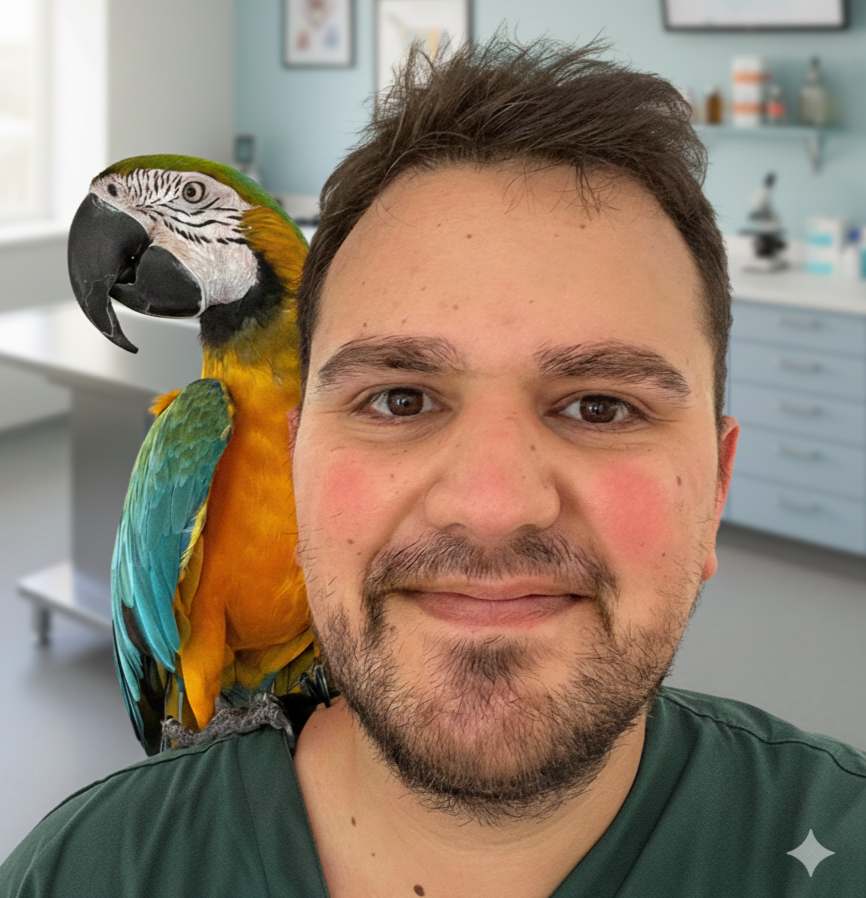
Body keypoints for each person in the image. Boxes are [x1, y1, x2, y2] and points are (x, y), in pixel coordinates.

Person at [2, 34, 865, 898]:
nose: (491, 506)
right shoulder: (81, 875)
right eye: (399, 400)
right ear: (301, 464)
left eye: (601, 406)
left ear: (715, 491)